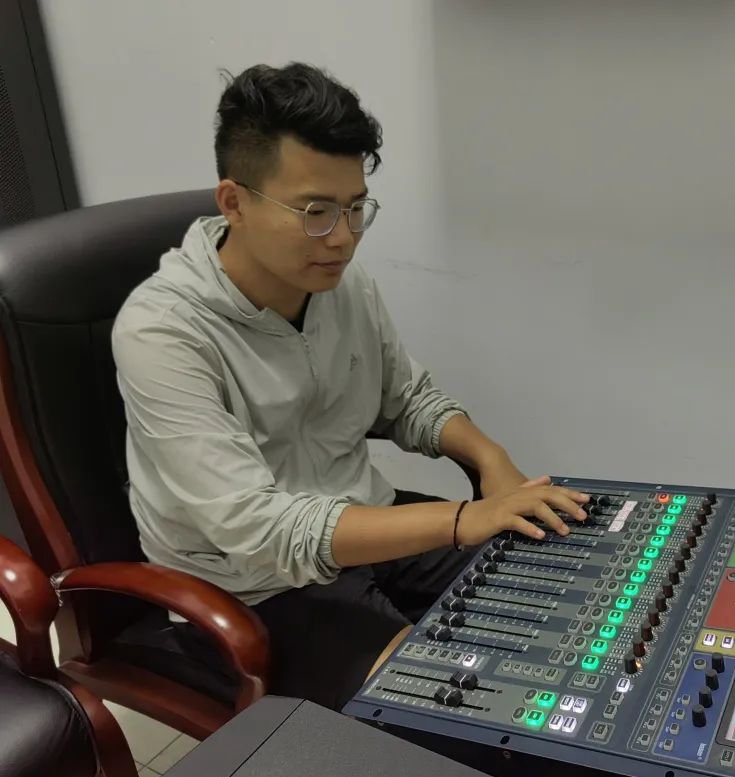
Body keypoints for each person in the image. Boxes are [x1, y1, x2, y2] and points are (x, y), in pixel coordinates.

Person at [112, 62, 589, 709]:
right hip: (253, 585)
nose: (342, 239)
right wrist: (462, 519)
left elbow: (407, 399)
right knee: (464, 710)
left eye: (355, 208)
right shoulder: (161, 331)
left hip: (361, 518)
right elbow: (260, 530)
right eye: (315, 212)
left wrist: (491, 459)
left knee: (562, 597)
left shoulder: (340, 283)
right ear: (234, 202)